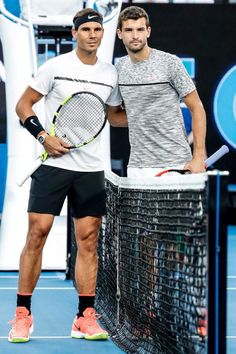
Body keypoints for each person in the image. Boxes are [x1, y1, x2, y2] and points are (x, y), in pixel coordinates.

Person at [8, 7, 126, 343]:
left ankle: (84, 317)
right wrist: (44, 137)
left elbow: (114, 116)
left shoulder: (110, 74)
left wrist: (147, 111)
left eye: (97, 30)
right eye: (86, 29)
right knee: (37, 233)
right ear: (75, 34)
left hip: (89, 169)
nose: (93, 35)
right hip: (53, 164)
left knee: (88, 241)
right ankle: (22, 314)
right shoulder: (56, 67)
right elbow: (23, 105)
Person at [116, 6, 207, 178]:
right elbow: (114, 117)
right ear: (119, 33)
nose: (135, 36)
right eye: (129, 30)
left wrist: (199, 156)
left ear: (148, 31)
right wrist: (144, 117)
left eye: (140, 29)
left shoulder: (170, 63)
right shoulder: (119, 68)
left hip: (176, 162)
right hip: (137, 166)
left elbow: (197, 108)